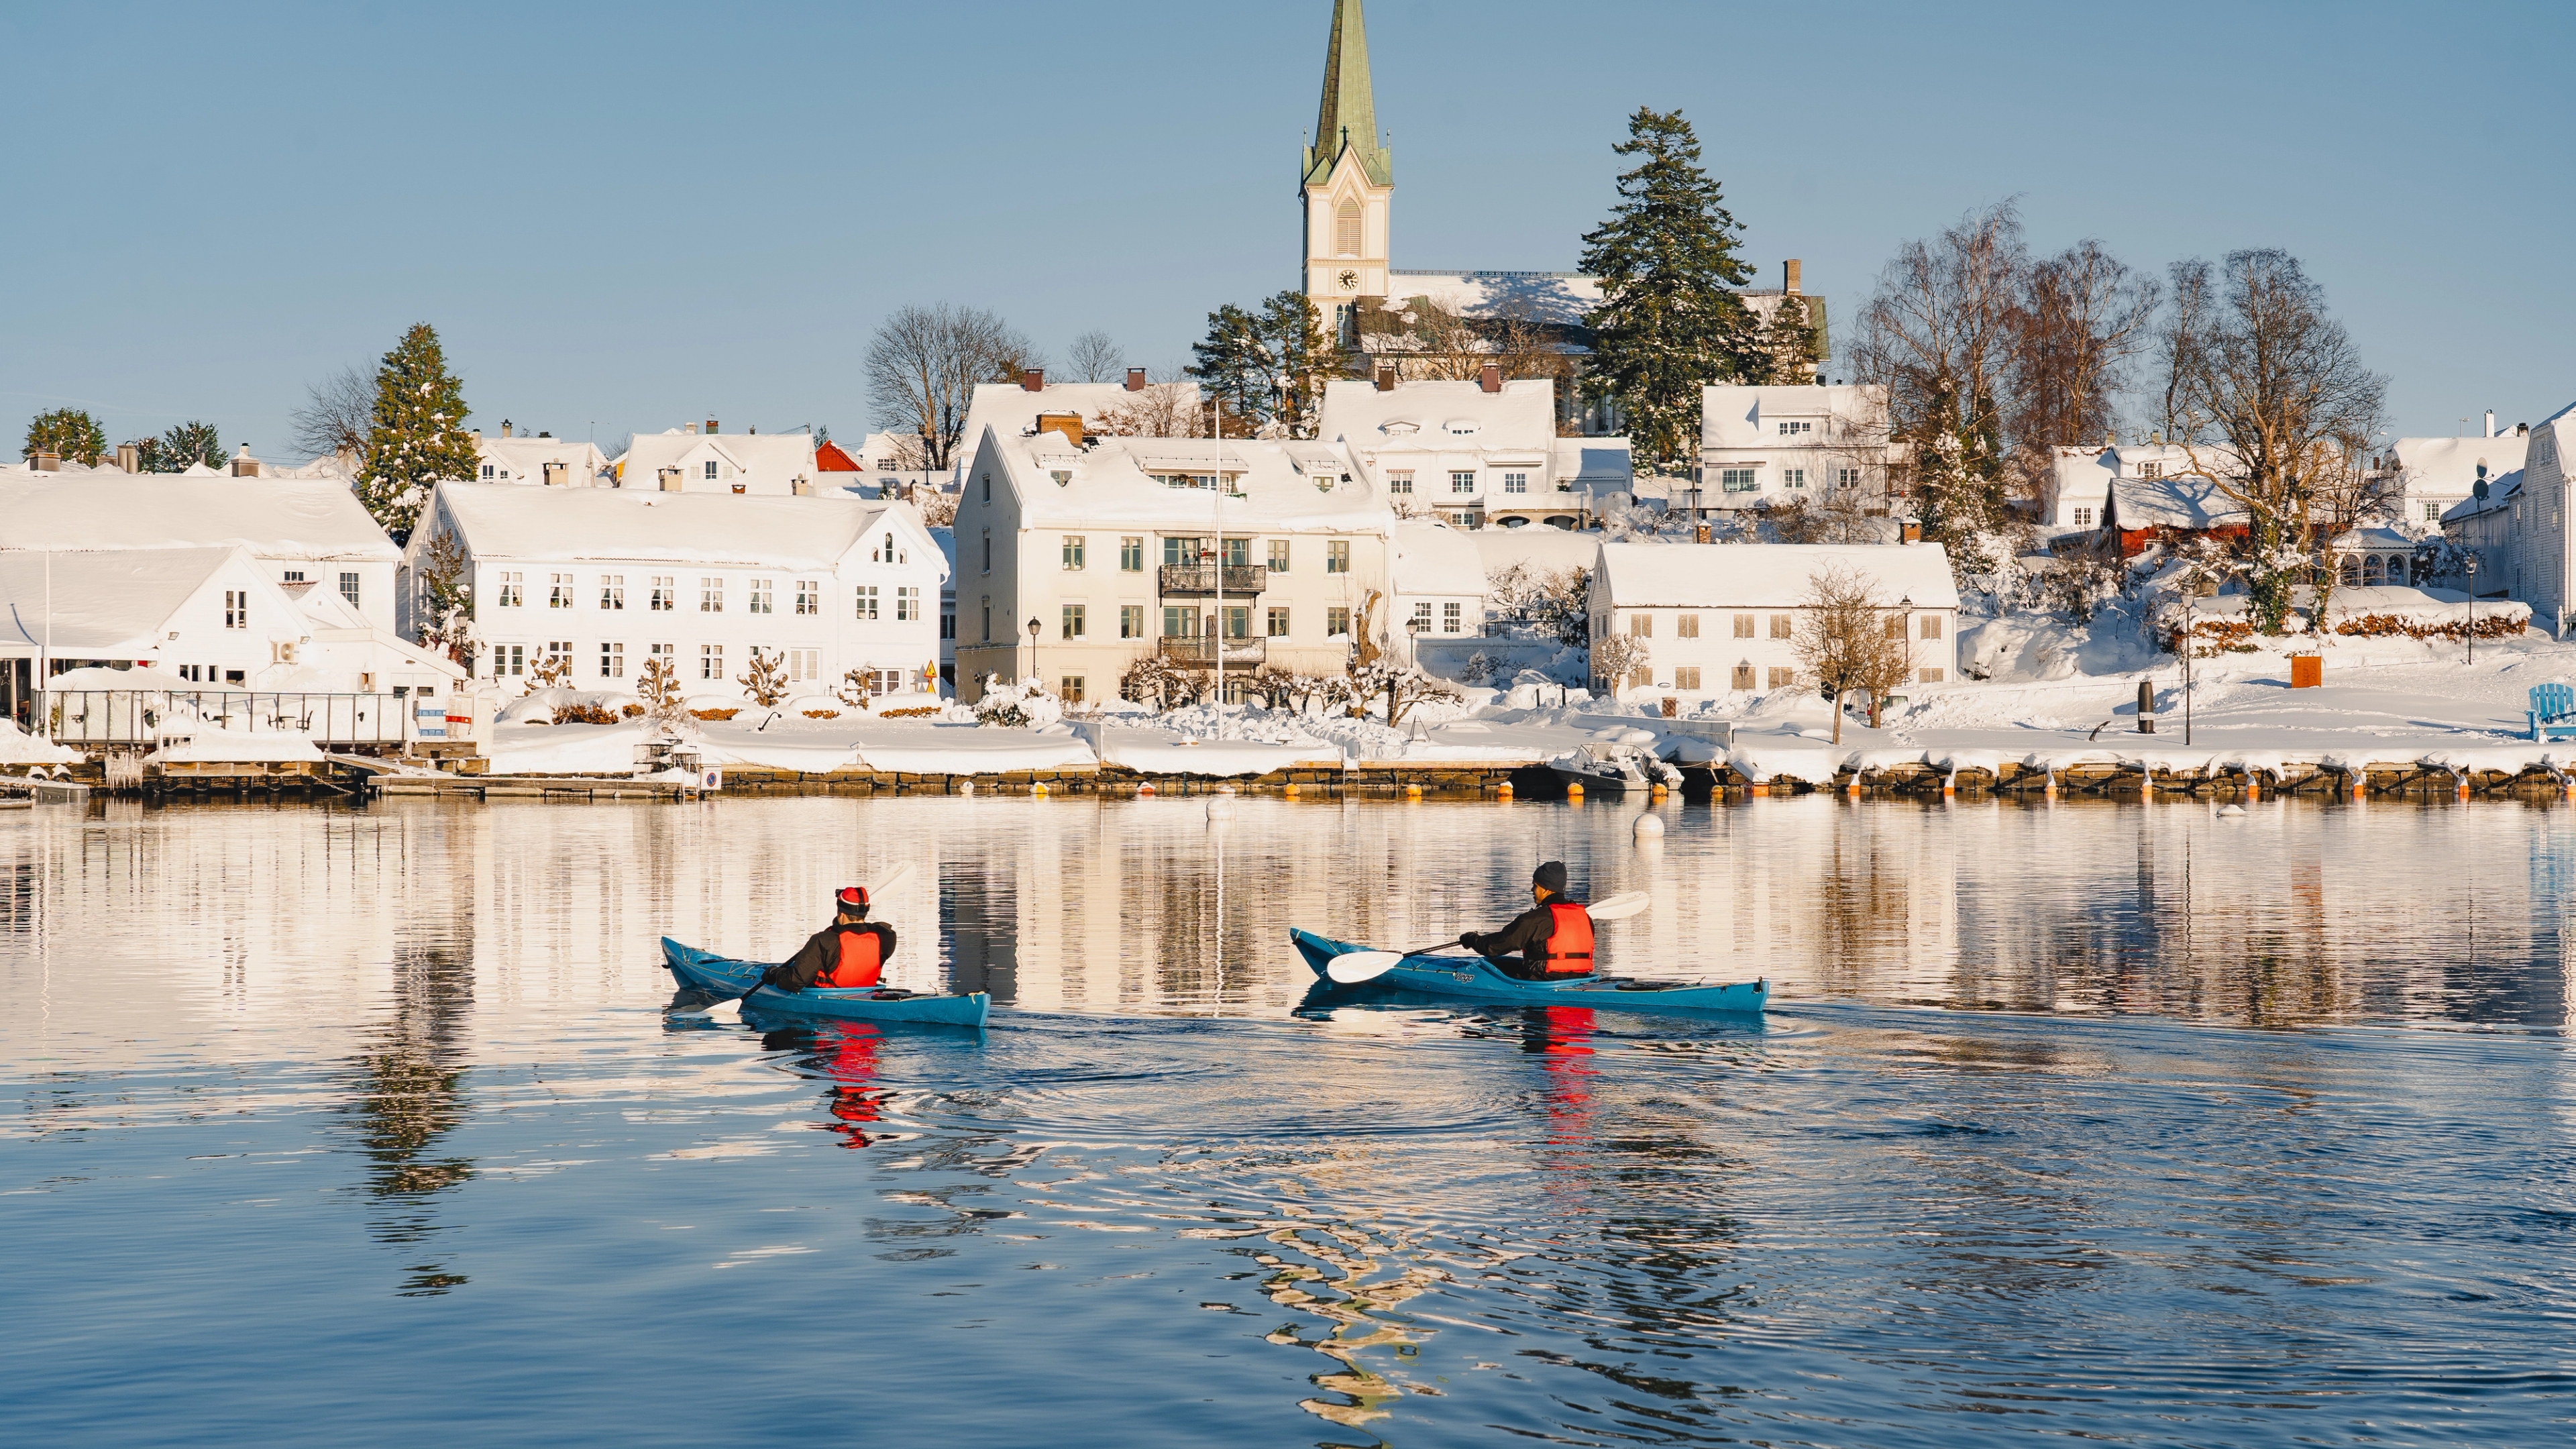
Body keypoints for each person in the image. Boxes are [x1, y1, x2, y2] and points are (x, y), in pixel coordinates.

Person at [1458, 861, 1594, 981]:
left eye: (1535, 886)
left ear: (1546, 889)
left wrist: (1472, 939)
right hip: (1580, 978)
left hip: (1544, 980)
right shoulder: (1585, 917)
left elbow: (1493, 948)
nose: (1532, 890)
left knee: (1491, 966)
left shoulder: (1535, 919)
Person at [763, 886, 900, 994]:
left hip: (827, 995)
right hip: (866, 991)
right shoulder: (886, 938)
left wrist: (775, 974)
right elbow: (879, 927)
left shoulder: (824, 940)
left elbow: (794, 982)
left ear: (840, 912)